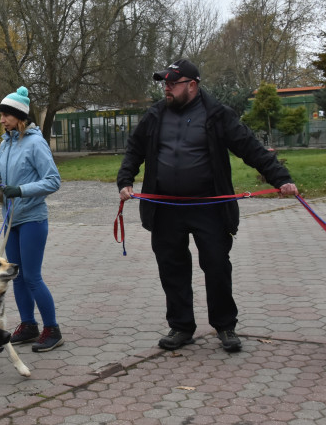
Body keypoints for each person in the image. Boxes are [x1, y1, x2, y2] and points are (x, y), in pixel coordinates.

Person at [116, 59, 299, 353]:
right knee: (172, 269)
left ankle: (225, 326)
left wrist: (281, 178)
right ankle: (181, 327)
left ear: (192, 84)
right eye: (164, 84)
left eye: (171, 84)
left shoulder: (216, 115)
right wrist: (125, 178)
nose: (166, 89)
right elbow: (134, 148)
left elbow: (250, 147)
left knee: (216, 266)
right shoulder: (155, 115)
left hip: (209, 207)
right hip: (166, 208)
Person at [0, 86, 64, 352]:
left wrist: (22, 190)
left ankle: (53, 330)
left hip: (32, 220)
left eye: (6, 115)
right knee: (16, 276)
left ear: (20, 117)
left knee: (33, 277)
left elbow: (53, 181)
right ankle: (28, 325)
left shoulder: (36, 143)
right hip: (11, 221)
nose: (2, 120)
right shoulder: (6, 143)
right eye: (1, 115)